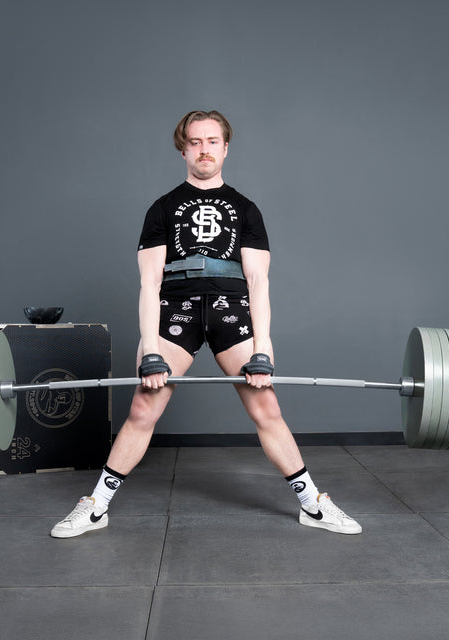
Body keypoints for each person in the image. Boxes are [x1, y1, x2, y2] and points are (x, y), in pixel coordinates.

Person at [51, 110, 361, 538]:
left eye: (212, 141)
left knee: (266, 405)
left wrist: (262, 348)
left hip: (230, 308)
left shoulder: (246, 209)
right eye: (195, 142)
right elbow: (149, 282)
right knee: (143, 405)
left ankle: (312, 503)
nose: (204, 149)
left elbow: (258, 281)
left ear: (225, 148)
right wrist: (151, 348)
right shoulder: (162, 208)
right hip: (175, 309)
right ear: (183, 149)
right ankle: (96, 506)